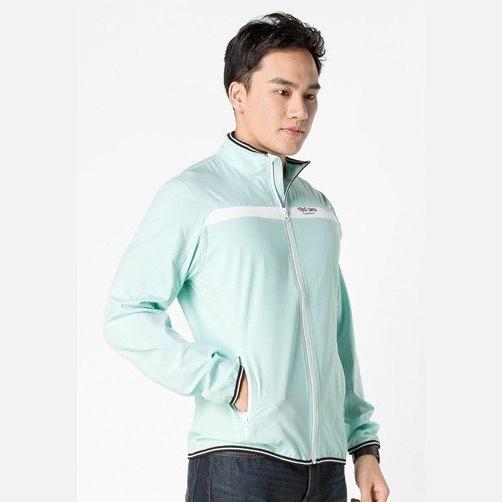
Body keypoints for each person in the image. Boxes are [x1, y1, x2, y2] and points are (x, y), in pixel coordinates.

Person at [103, 11, 390, 502]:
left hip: (326, 470)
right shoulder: (194, 197)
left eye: (310, 95)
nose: (299, 110)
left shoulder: (319, 209)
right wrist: (229, 383)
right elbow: (126, 315)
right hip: (238, 463)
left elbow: (337, 333)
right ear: (238, 95)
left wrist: (363, 445)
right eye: (282, 92)